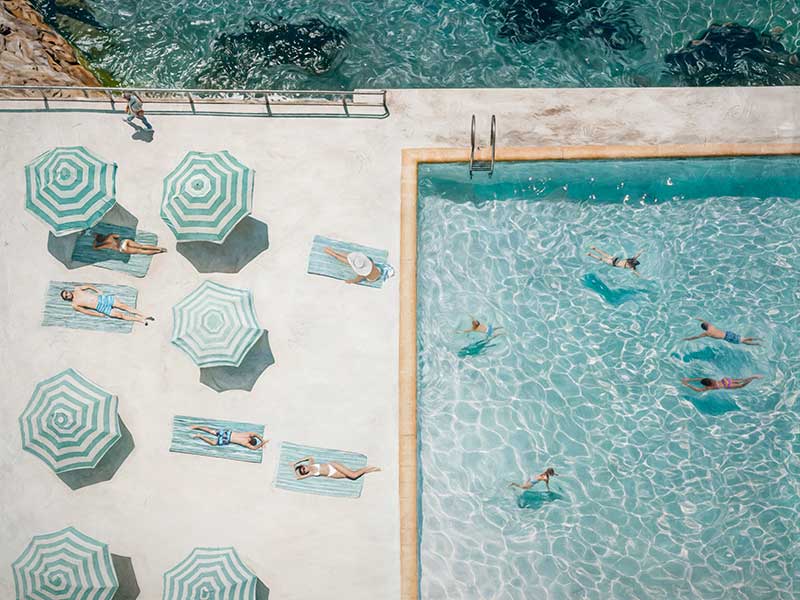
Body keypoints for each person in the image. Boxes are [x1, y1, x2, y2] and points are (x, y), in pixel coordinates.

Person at [59, 285, 154, 325]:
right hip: (100, 307)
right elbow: (86, 311)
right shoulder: (74, 304)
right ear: (66, 299)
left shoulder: (77, 289)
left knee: (123, 306)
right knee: (120, 315)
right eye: (66, 297)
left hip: (102, 299)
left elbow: (88, 286)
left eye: (66, 293)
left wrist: (97, 290)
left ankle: (144, 315)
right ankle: (140, 320)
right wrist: (98, 314)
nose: (67, 295)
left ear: (67, 291)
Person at [324, 247, 394, 285]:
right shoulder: (370, 263)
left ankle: (333, 253)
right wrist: (351, 281)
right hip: (373, 271)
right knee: (347, 258)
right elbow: (357, 279)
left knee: (347, 257)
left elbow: (357, 279)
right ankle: (334, 253)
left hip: (371, 276)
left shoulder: (363, 273)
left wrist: (351, 281)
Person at [291, 456, 380, 481]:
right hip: (332, 474)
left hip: (332, 466)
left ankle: (370, 468)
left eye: (303, 468)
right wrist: (294, 471)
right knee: (351, 475)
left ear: (304, 465)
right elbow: (298, 478)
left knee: (353, 476)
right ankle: (371, 469)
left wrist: (295, 463)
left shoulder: (311, 463)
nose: (305, 470)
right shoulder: (311, 473)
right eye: (303, 471)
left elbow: (309, 457)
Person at [683, 318, 760, 346]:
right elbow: (705, 322)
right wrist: (700, 319)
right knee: (742, 341)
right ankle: (756, 343)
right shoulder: (711, 326)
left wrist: (688, 339)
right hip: (728, 333)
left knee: (743, 340)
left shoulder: (707, 333)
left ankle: (758, 339)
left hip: (727, 337)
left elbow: (696, 337)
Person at [191, 425, 268, 450]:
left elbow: (256, 434)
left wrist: (262, 440)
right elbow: (254, 448)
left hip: (227, 433)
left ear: (252, 438)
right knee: (213, 443)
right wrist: (262, 444)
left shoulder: (248, 434)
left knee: (211, 431)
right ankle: (200, 436)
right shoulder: (246, 443)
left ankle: (197, 426)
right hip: (227, 439)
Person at [94, 233, 167, 256]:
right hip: (124, 242)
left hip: (122, 248)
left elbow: (95, 248)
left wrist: (95, 241)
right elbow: (118, 235)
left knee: (140, 251)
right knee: (142, 246)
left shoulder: (104, 244)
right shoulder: (110, 236)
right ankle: (159, 248)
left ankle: (159, 251)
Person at [681, 375, 762, 392]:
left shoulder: (710, 387)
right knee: (742, 379)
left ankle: (754, 378)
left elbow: (698, 390)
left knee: (742, 385)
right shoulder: (710, 379)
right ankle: (753, 376)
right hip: (725, 380)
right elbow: (700, 378)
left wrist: (687, 385)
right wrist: (690, 379)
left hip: (726, 385)